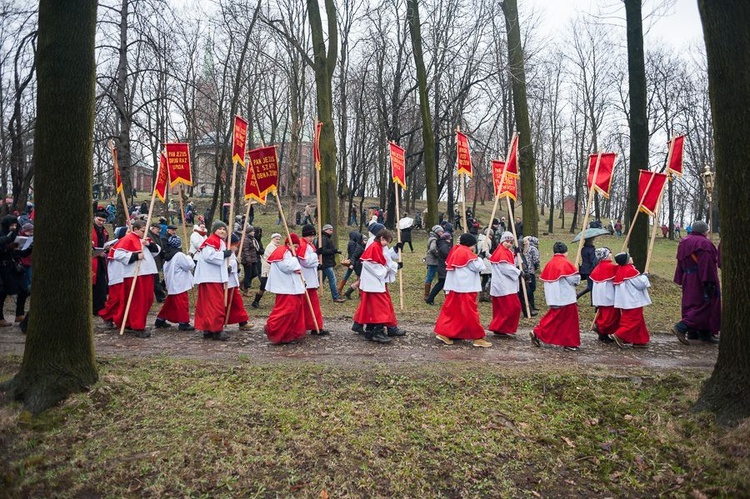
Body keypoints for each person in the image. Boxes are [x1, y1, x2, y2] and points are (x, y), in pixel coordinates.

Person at [433, 233, 491, 347]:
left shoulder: (456, 250)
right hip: (466, 288)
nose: (473, 248)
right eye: (473, 245)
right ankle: (477, 337)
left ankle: (446, 332)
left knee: (453, 312)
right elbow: (477, 267)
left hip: (455, 287)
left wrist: (477, 256)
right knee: (471, 313)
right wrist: (481, 257)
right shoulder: (466, 253)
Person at [672, 220, 720, 344]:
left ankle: (700, 333)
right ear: (704, 231)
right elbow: (707, 264)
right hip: (701, 278)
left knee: (690, 304)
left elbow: (680, 261)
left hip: (688, 277)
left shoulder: (684, 241)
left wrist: (680, 277)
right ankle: (681, 327)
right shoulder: (704, 243)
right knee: (704, 305)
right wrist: (709, 281)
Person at [111, 220, 159, 337]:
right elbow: (117, 255)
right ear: (136, 229)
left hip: (147, 273)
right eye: (143, 231)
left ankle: (132, 322)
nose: (144, 233)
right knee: (138, 301)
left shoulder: (145, 240)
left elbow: (157, 251)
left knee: (147, 299)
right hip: (135, 274)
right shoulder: (128, 239)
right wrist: (135, 256)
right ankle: (137, 326)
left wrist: (148, 244)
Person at [530, 242, 581, 351]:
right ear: (565, 251)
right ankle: (569, 342)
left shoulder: (550, 263)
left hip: (554, 296)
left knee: (554, 317)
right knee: (568, 321)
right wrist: (577, 273)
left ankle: (538, 332)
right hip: (566, 296)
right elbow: (574, 280)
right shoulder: (565, 263)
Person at [352, 229, 400, 343]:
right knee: (381, 308)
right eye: (387, 241)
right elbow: (371, 264)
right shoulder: (374, 246)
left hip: (374, 283)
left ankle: (370, 331)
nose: (387, 244)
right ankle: (377, 331)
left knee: (372, 308)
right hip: (373, 284)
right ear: (382, 238)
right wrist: (386, 270)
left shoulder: (378, 246)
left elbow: (384, 258)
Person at [193, 221, 234, 341]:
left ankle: (208, 328)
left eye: (224, 229)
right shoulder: (212, 240)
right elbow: (209, 256)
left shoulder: (219, 241)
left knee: (209, 304)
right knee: (215, 305)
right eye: (220, 229)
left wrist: (226, 267)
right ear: (214, 230)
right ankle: (216, 329)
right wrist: (223, 254)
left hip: (214, 277)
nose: (222, 231)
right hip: (211, 278)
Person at [264, 233, 307, 344]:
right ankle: (274, 329)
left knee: (294, 311)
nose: (296, 249)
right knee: (285, 311)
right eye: (295, 246)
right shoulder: (282, 252)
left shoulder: (290, 253)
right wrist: (295, 260)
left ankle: (289, 334)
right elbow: (286, 267)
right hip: (285, 288)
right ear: (288, 244)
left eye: (298, 247)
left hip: (292, 287)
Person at [610, 252, 651, 348]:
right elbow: (640, 284)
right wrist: (645, 276)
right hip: (633, 300)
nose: (631, 257)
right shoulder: (629, 270)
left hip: (626, 301)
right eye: (629, 257)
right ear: (627, 260)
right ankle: (619, 334)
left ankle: (639, 339)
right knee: (633, 320)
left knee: (637, 320)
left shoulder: (621, 269)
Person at [155, 235, 195, 331]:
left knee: (170, 304)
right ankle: (183, 322)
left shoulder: (169, 255)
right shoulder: (179, 255)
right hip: (179, 283)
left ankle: (160, 319)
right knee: (182, 304)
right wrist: (189, 257)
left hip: (172, 283)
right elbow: (189, 266)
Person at [487, 232, 522, 338]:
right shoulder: (501, 253)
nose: (509, 244)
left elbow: (512, 264)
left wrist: (516, 255)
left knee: (505, 309)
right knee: (512, 308)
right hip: (503, 286)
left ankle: (501, 328)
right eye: (507, 241)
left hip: (507, 286)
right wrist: (519, 273)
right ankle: (499, 327)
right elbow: (506, 268)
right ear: (502, 241)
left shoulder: (507, 252)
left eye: (511, 242)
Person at [0, 215, 32, 326]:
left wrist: (29, 248)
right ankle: (0, 318)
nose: (13, 227)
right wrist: (7, 246)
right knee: (2, 292)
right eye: (11, 225)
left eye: (15, 225)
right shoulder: (3, 235)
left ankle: (19, 315)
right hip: (2, 268)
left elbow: (20, 253)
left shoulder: (15, 236)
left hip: (13, 268)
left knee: (24, 290)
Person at [298, 224, 329, 335]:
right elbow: (304, 261)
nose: (311, 238)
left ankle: (315, 326)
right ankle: (312, 326)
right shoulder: (303, 245)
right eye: (309, 236)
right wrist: (316, 256)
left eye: (313, 236)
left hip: (311, 278)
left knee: (313, 304)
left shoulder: (309, 245)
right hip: (306, 278)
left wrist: (317, 264)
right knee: (307, 305)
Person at [98, 226, 128, 329]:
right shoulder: (115, 244)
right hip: (117, 276)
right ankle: (107, 316)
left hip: (126, 275)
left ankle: (121, 319)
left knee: (124, 299)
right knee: (115, 300)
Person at [589, 247, 618, 343]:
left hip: (600, 296)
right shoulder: (610, 267)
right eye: (609, 253)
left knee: (605, 315)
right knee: (609, 317)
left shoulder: (598, 267)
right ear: (605, 256)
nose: (611, 254)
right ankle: (601, 329)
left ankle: (604, 333)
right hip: (608, 296)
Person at [225, 233, 253, 332]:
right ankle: (240, 322)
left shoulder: (232, 253)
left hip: (233, 282)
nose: (236, 247)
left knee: (237, 303)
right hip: (227, 283)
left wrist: (237, 264)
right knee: (229, 304)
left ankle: (242, 322)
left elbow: (235, 268)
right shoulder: (226, 252)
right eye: (235, 245)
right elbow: (226, 265)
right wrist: (235, 262)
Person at [251, 232, 281, 309]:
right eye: (276, 239)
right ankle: (256, 301)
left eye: (279, 239)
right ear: (273, 239)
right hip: (268, 270)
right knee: (263, 286)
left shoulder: (276, 247)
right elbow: (274, 257)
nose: (278, 240)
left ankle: (279, 302)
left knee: (277, 286)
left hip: (273, 269)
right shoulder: (271, 247)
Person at [318, 224, 346, 303]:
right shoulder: (323, 239)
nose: (331, 231)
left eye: (332, 230)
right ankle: (336, 297)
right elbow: (322, 251)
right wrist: (333, 251)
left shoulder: (327, 238)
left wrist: (336, 251)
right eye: (330, 230)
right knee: (332, 279)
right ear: (325, 230)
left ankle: (311, 293)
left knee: (320, 280)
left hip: (327, 262)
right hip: (325, 263)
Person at [425, 230, 453, 305]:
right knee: (440, 284)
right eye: (449, 238)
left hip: (443, 267)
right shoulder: (444, 246)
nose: (450, 240)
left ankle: (447, 300)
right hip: (444, 268)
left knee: (442, 284)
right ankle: (430, 298)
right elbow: (448, 255)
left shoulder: (443, 245)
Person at [92, 209, 110, 315]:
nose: (101, 222)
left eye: (103, 221)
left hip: (101, 261)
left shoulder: (104, 230)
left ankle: (100, 307)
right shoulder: (90, 229)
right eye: (99, 220)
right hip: (92, 260)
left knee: (101, 284)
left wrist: (107, 248)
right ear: (95, 218)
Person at [342, 231, 365, 299]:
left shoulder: (360, 246)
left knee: (360, 280)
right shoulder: (359, 247)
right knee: (360, 280)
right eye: (364, 240)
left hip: (358, 264)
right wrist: (352, 263)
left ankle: (359, 293)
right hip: (358, 265)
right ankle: (349, 292)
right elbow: (354, 255)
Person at [423, 225, 444, 301]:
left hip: (432, 261)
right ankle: (427, 295)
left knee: (431, 277)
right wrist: (439, 255)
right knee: (430, 277)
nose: (442, 232)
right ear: (437, 232)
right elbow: (432, 249)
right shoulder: (434, 239)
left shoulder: (433, 238)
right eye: (441, 231)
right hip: (433, 261)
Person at [521, 236, 541, 312]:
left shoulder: (525, 248)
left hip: (525, 270)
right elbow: (536, 259)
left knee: (529, 287)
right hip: (530, 271)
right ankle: (527, 303)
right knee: (532, 288)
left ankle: (532, 305)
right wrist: (537, 266)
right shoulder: (533, 249)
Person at [240, 225, 261, 295]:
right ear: (249, 232)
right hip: (247, 260)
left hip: (253, 259)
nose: (254, 232)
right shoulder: (245, 239)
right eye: (252, 231)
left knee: (255, 273)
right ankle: (246, 290)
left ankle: (243, 282)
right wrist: (248, 260)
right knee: (248, 275)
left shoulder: (252, 239)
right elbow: (245, 250)